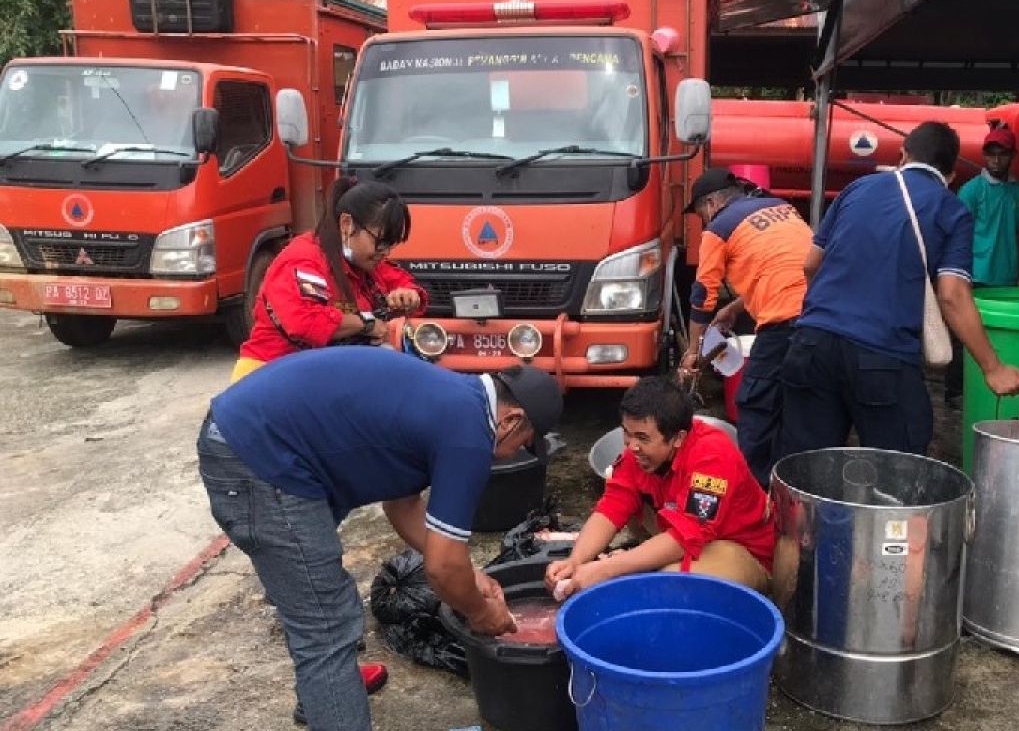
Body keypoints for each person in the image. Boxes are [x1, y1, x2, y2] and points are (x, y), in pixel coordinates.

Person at [198, 348, 564, 731]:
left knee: (310, 598)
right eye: (523, 444)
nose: (512, 456)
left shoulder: (455, 397)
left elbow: (402, 504)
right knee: (327, 626)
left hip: (258, 436)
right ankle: (331, 699)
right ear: (511, 421)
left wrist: (469, 574)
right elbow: (441, 569)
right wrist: (479, 610)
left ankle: (322, 695)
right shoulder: (470, 433)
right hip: (257, 458)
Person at [775, 122, 1019, 459]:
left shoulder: (857, 188)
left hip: (812, 345)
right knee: (897, 473)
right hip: (882, 356)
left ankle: (808, 514)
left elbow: (810, 264)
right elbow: (952, 294)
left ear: (902, 155)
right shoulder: (951, 209)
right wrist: (993, 368)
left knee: (808, 471)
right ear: (951, 174)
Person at [545, 377, 773, 600]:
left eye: (643, 438)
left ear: (678, 438)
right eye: (627, 433)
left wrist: (604, 569)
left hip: (742, 550)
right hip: (694, 538)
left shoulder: (712, 457)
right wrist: (575, 562)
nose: (632, 446)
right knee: (624, 501)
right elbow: (611, 508)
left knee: (668, 587)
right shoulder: (636, 455)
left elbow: (686, 536)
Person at [679, 167, 813, 487]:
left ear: (711, 204)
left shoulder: (720, 227)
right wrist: (735, 307)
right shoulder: (783, 209)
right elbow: (787, 269)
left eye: (700, 215)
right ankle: (791, 491)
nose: (703, 222)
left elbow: (701, 297)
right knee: (798, 407)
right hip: (822, 321)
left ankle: (751, 495)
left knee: (754, 406)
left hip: (784, 325)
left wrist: (694, 351)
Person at [231, 178, 427, 382]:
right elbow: (304, 322)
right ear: (346, 224)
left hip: (319, 373)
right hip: (268, 376)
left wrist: (407, 294)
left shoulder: (364, 261)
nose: (385, 252)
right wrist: (367, 323)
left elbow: (398, 280)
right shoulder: (303, 260)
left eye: (391, 245)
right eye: (380, 242)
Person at [945, 126, 1019, 402]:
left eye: (1002, 154)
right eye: (991, 153)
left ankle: (990, 386)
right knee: (963, 334)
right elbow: (956, 234)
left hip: (1006, 275)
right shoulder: (971, 191)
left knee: (997, 336)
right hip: (975, 274)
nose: (996, 159)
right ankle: (956, 391)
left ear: (1012, 156)